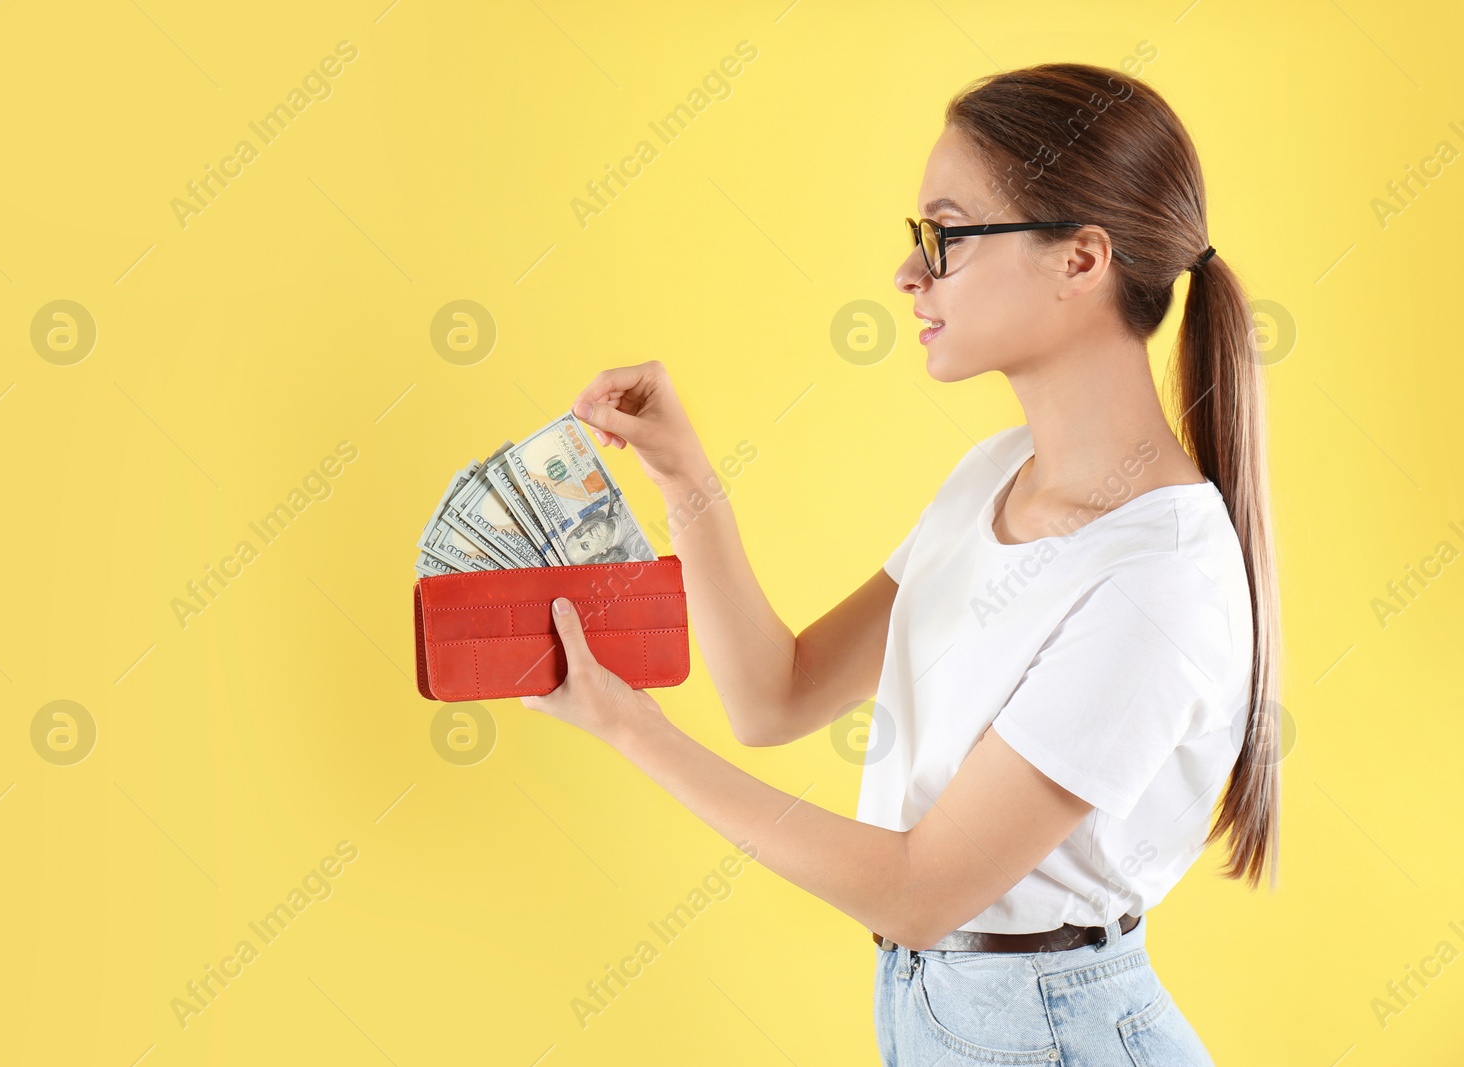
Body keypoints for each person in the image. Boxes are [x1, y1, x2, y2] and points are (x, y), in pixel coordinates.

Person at [520, 60, 1282, 1065]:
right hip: (945, 1014)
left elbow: (920, 890)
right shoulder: (995, 474)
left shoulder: (1159, 579)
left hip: (1053, 1032)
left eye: (948, 233)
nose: (908, 273)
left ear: (1081, 258)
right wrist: (683, 474)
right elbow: (773, 696)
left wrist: (628, 726)